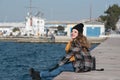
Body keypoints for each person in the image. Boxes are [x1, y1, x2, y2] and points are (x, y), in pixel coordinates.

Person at [29, 23, 94, 80]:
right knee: (62, 67)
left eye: (75, 32)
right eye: (72, 31)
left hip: (82, 66)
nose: (72, 33)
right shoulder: (82, 41)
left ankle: (39, 75)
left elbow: (68, 56)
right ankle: (41, 76)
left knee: (60, 68)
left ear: (79, 34)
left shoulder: (76, 43)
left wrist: (57, 65)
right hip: (87, 65)